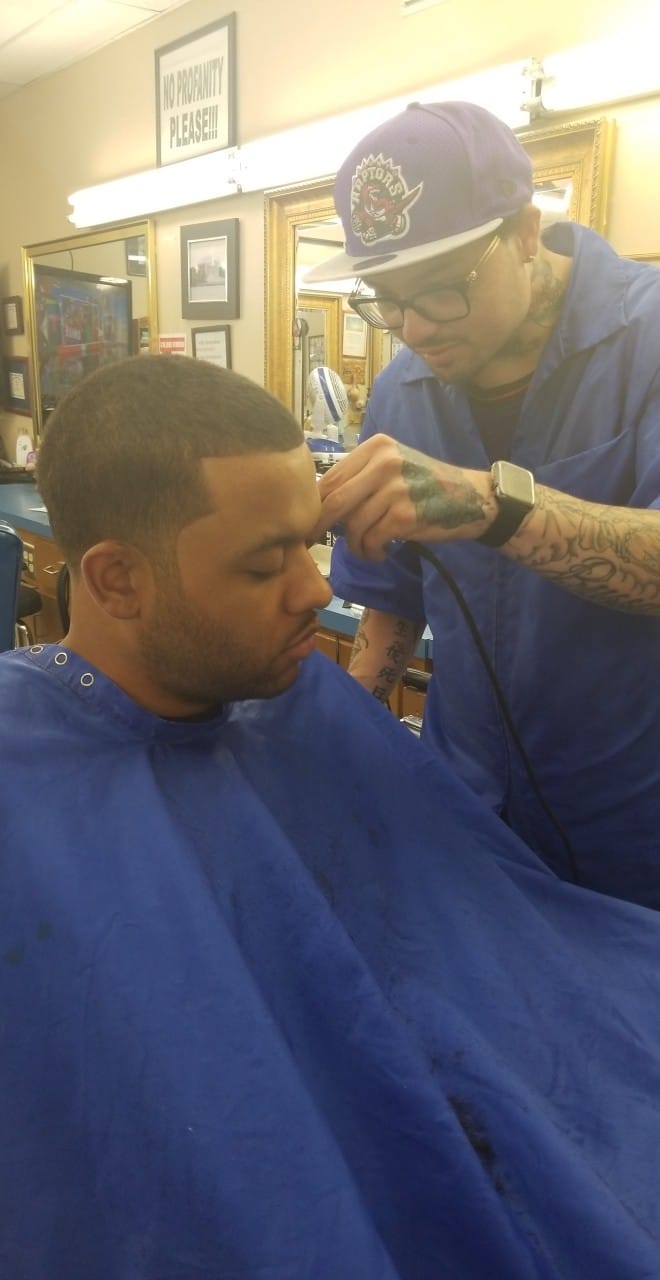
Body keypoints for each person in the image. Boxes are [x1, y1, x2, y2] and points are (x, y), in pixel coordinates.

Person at [3, 354, 660, 1278]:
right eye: (265, 562)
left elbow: (481, 942)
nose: (318, 592)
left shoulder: (301, 706)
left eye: (309, 547)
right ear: (115, 580)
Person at [305, 100, 660, 910]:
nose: (413, 328)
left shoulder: (648, 341)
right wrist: (346, 738)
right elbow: (392, 608)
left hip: (633, 820)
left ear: (526, 231)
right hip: (464, 804)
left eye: (440, 290)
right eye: (385, 298)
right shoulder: (401, 390)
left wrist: (491, 506)